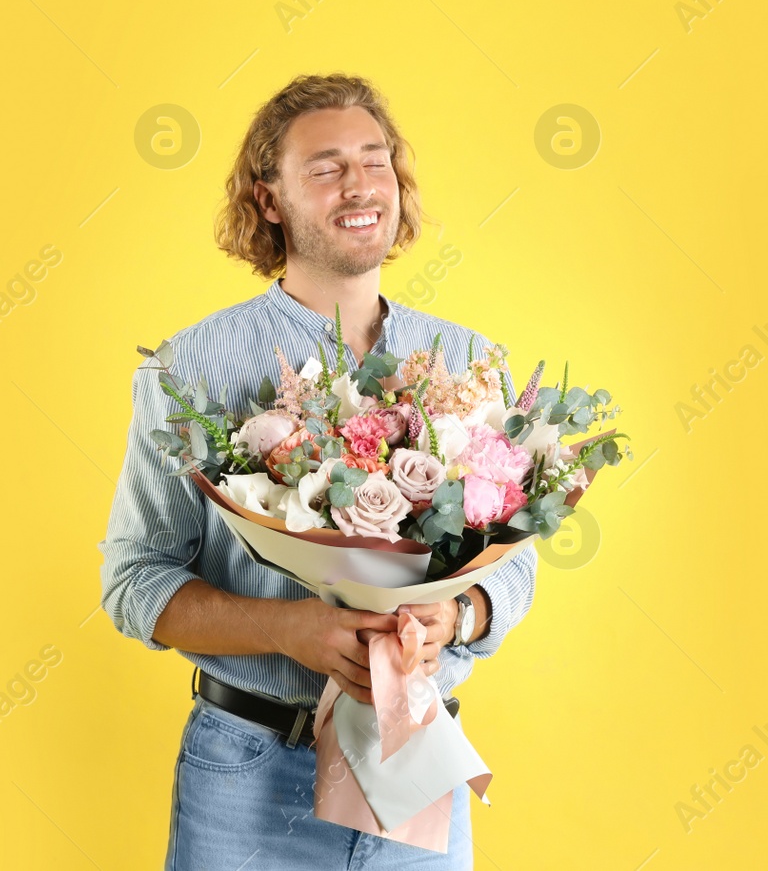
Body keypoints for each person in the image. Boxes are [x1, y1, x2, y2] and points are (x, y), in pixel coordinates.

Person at [100, 72, 537, 869]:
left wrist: (462, 614)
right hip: (247, 778)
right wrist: (289, 631)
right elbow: (133, 582)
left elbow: (517, 554)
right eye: (326, 167)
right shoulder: (188, 369)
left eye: (375, 160)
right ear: (270, 200)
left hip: (417, 765)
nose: (360, 185)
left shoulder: (472, 362)